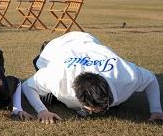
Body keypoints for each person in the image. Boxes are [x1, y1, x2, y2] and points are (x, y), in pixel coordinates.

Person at [23, 32, 163, 124]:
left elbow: (150, 79)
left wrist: (156, 110)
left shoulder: (126, 75)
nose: (98, 112)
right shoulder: (58, 76)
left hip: (88, 41)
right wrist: (42, 110)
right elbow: (28, 86)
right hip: (57, 46)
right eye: (92, 109)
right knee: (47, 93)